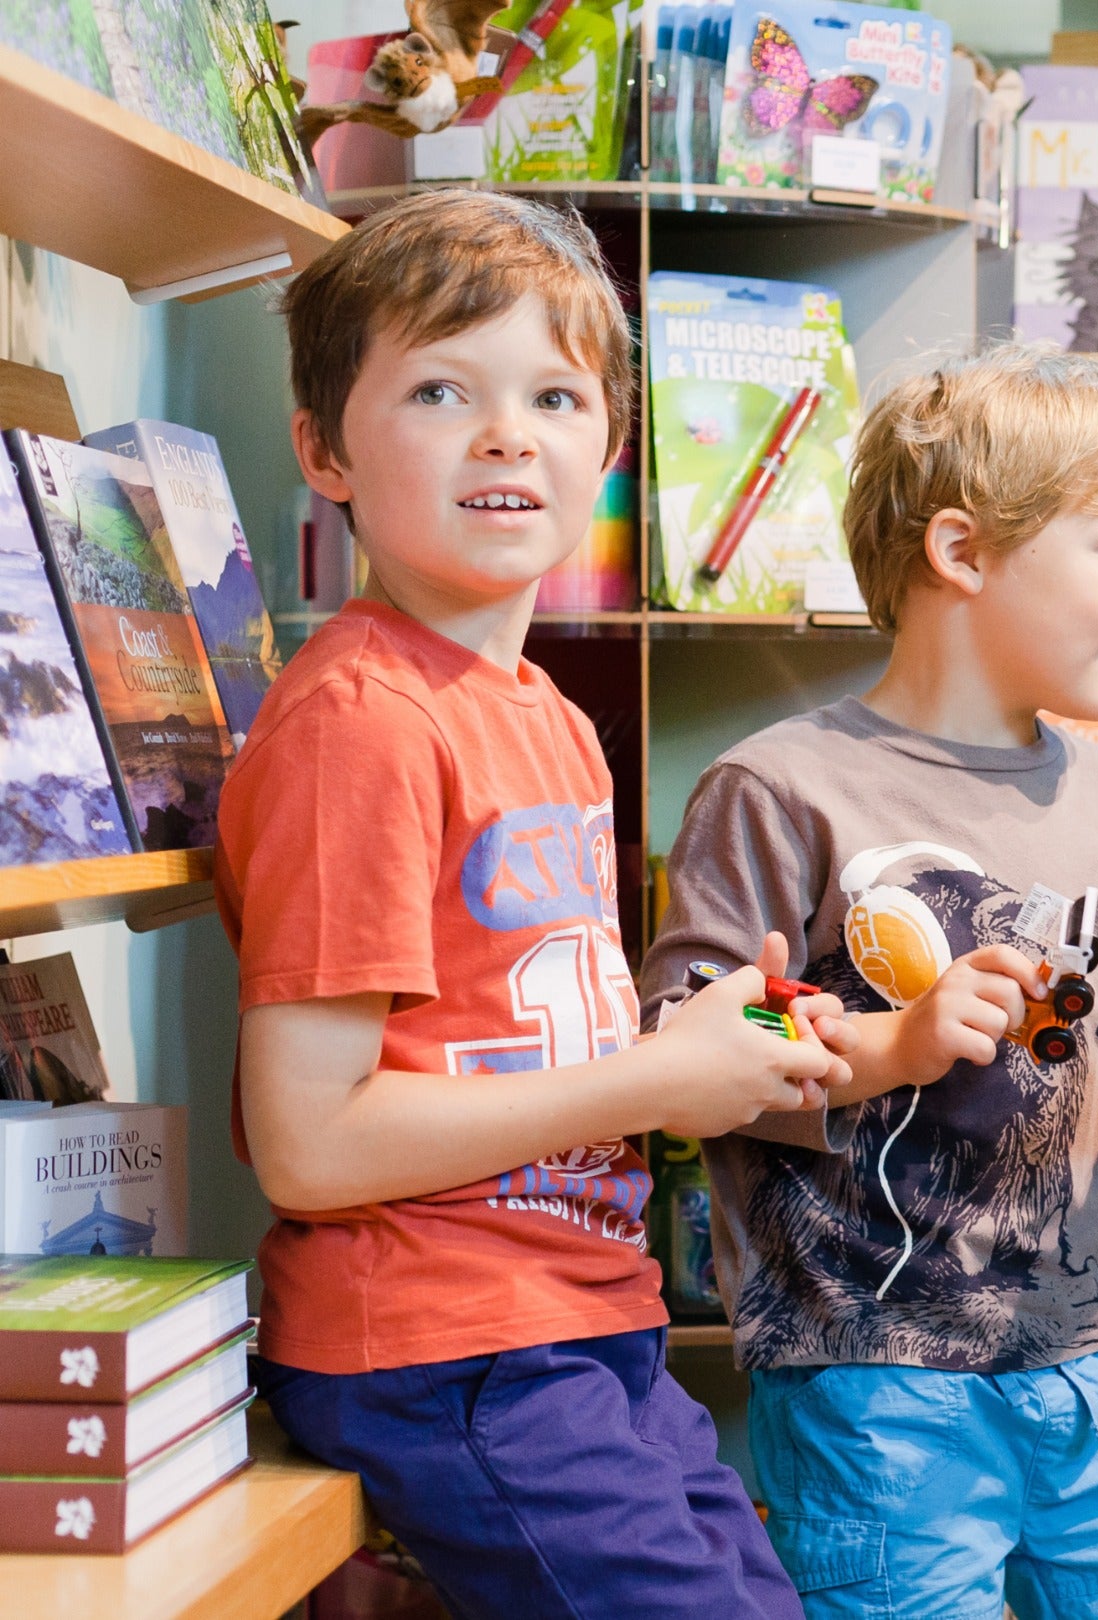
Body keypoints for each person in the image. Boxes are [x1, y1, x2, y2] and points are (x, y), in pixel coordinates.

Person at [222, 191, 848, 1617]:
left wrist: (716, 1044)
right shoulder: (362, 725)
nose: (508, 433)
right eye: (441, 389)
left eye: (555, 396)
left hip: (579, 1320)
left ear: (610, 449)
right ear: (325, 448)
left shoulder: (550, 719)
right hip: (449, 1344)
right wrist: (649, 1077)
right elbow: (311, 1146)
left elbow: (526, 1034)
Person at [638, 342, 1098, 1619]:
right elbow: (674, 1063)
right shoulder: (778, 789)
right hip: (871, 1389)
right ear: (964, 554)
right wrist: (892, 1044)